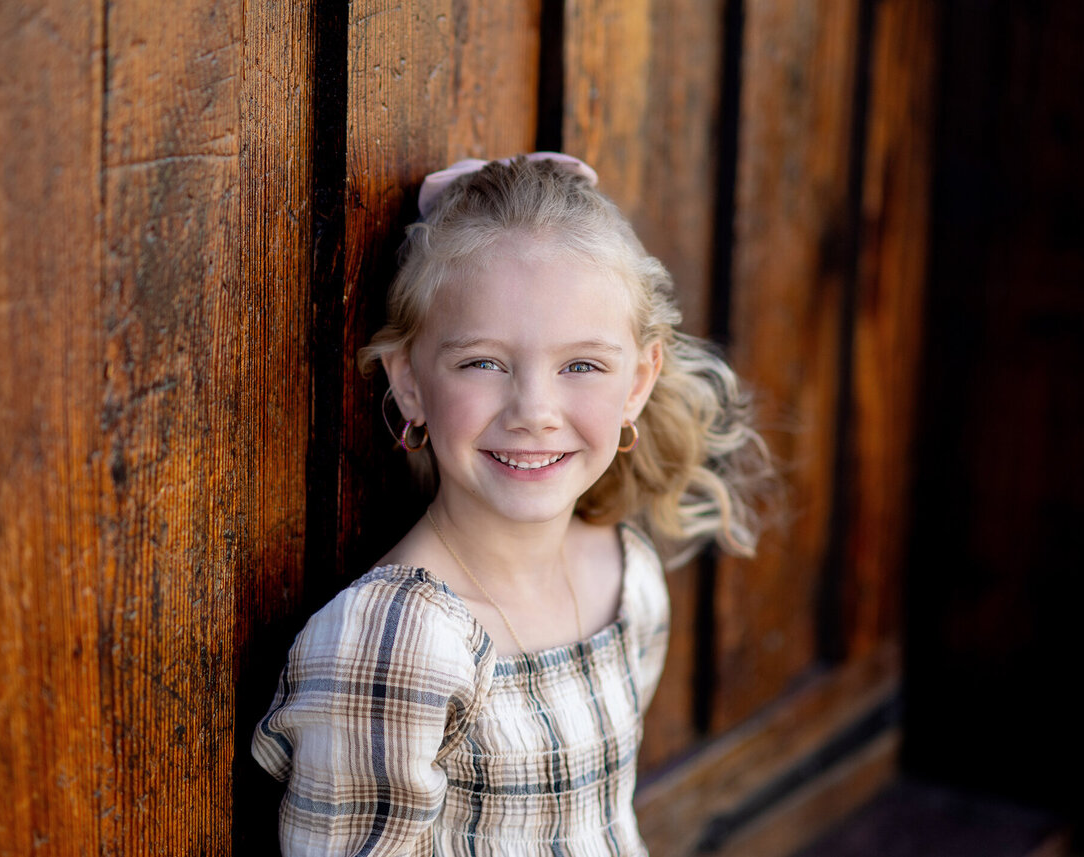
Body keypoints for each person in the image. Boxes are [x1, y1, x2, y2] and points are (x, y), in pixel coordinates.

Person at [252, 153, 772, 855]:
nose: (534, 411)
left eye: (581, 365)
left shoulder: (626, 576)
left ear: (639, 380)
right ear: (408, 382)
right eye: (483, 362)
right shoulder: (398, 642)